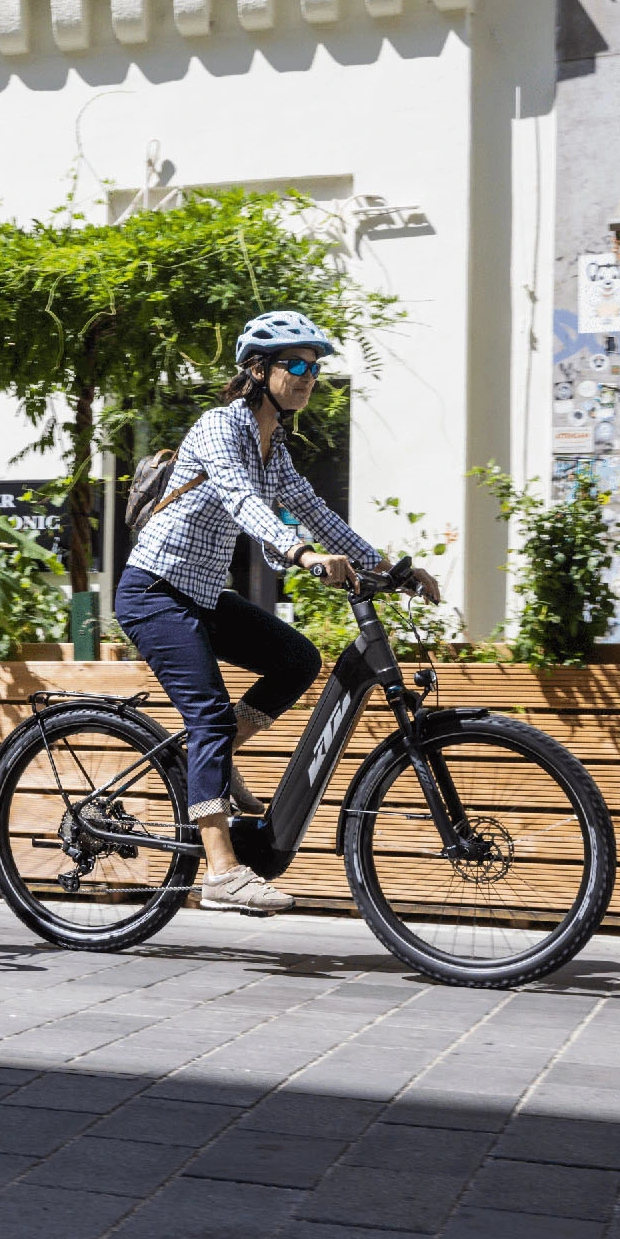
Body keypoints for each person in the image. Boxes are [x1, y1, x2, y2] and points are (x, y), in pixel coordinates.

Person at [114, 310, 441, 915]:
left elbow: (313, 509)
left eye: (314, 368)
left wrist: (388, 567)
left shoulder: (275, 445)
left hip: (204, 595)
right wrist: (299, 552)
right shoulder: (220, 427)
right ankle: (221, 872)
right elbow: (241, 499)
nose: (307, 376)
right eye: (294, 364)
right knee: (208, 714)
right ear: (257, 370)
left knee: (297, 658)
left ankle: (207, 761)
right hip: (154, 590)